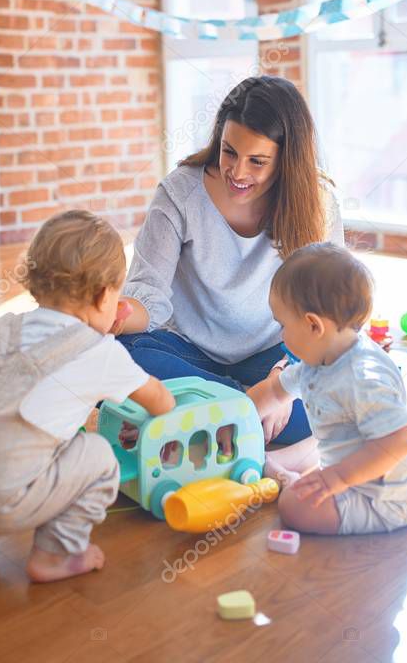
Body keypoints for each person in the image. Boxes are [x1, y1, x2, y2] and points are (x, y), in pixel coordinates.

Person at [0, 211, 174, 583]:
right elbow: (159, 401)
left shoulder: (2, 327)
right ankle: (56, 552)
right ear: (106, 295)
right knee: (99, 455)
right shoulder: (98, 351)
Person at [115, 75, 343, 445]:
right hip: (188, 352)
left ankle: (207, 414)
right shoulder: (179, 193)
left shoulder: (316, 204)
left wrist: (285, 382)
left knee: (347, 388)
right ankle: (245, 410)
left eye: (257, 161)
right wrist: (117, 315)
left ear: (286, 161)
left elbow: (327, 313)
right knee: (116, 356)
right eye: (229, 151)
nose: (237, 172)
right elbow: (148, 295)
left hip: (275, 357)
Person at [250, 243, 407, 535]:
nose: (280, 334)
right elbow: (273, 393)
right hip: (353, 472)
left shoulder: (364, 378)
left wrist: (337, 477)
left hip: (388, 497)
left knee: (293, 506)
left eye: (282, 324)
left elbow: (398, 442)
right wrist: (232, 416)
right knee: (312, 469)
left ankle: (291, 478)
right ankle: (288, 470)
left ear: (313, 326)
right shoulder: (320, 358)